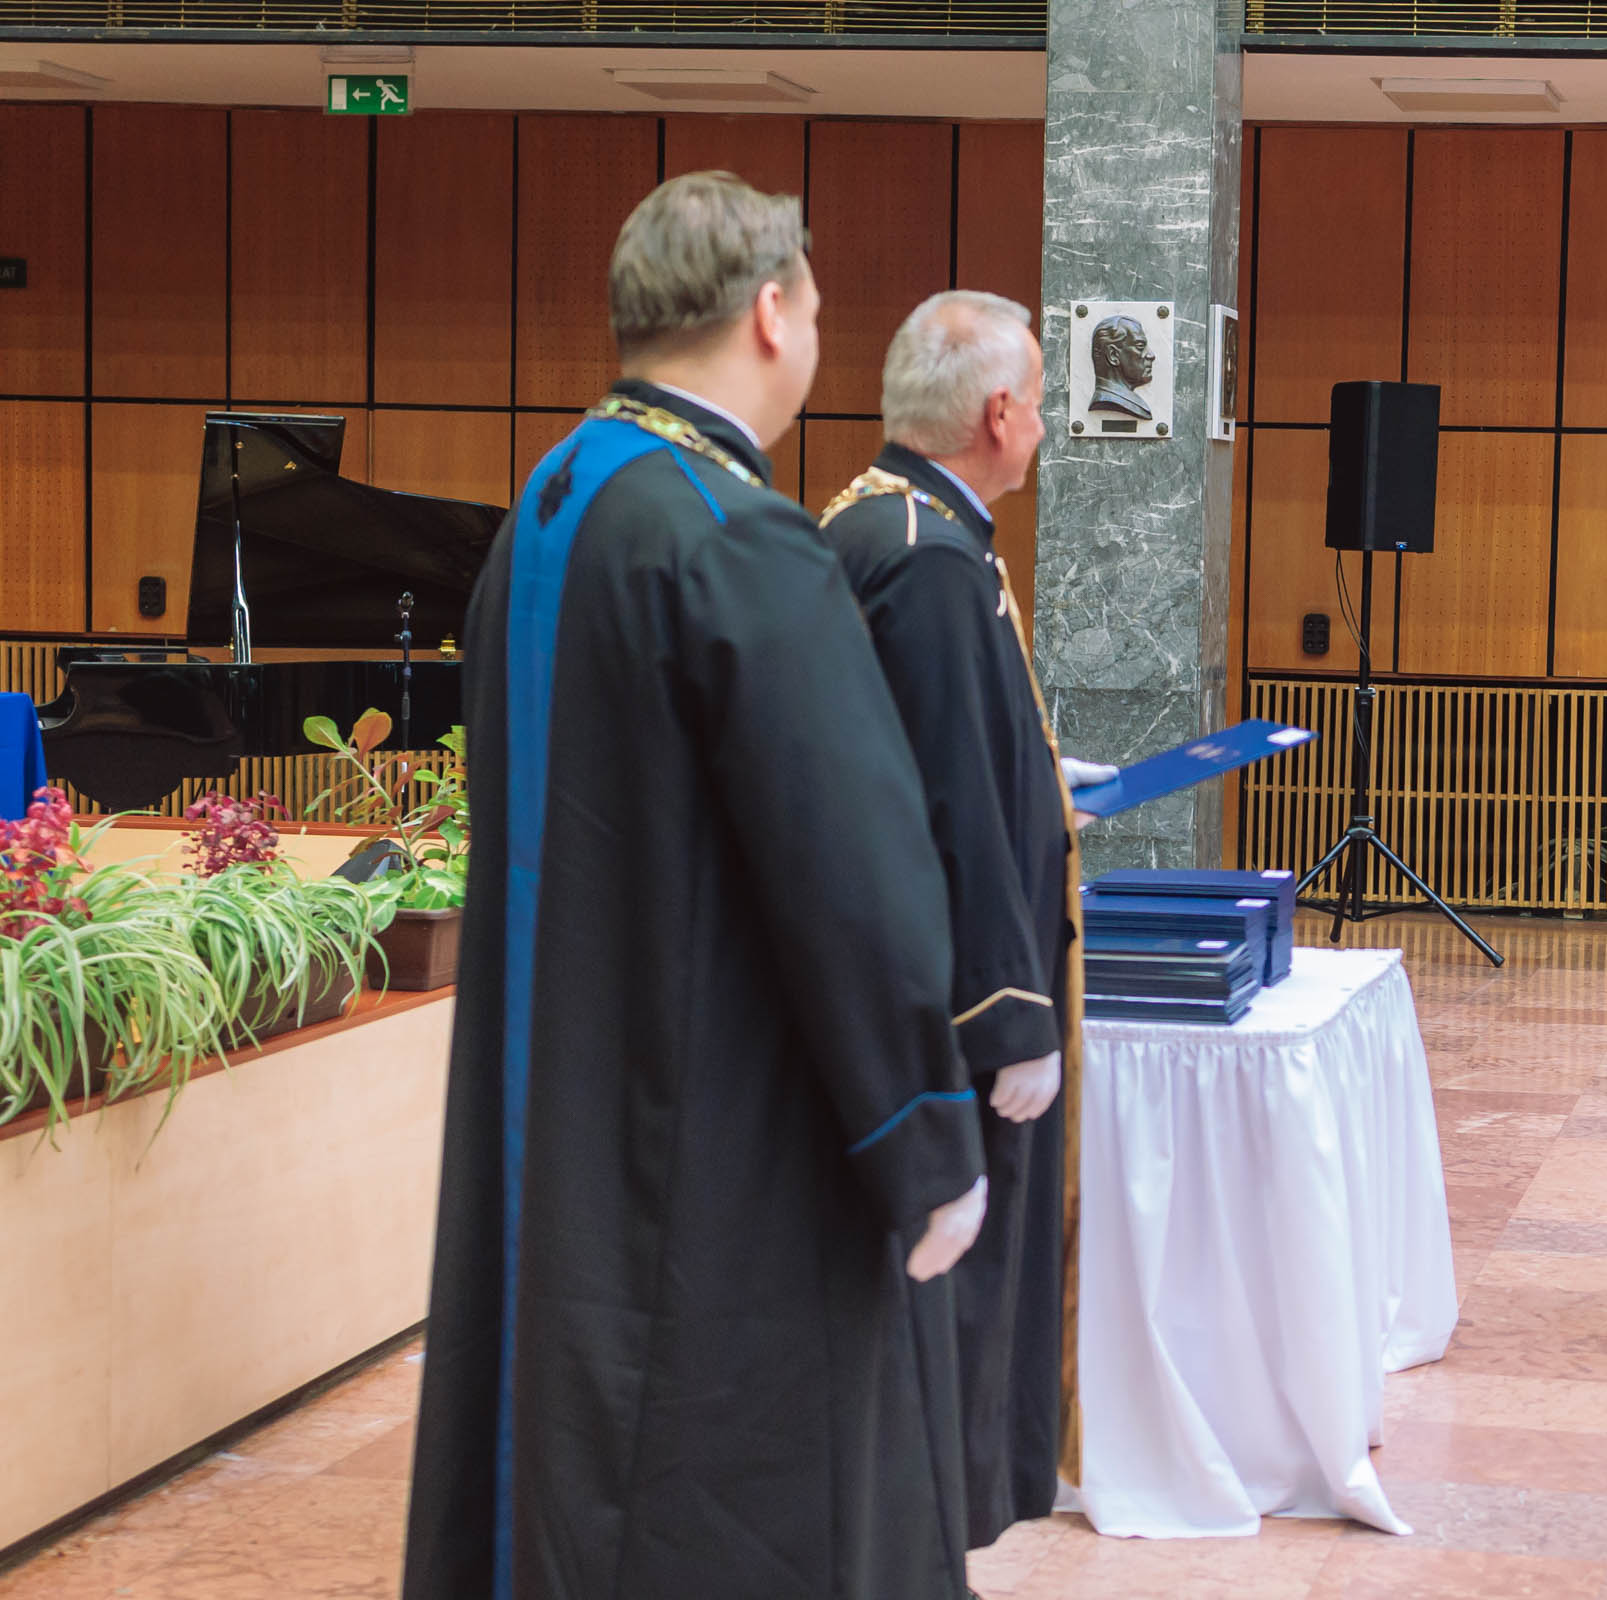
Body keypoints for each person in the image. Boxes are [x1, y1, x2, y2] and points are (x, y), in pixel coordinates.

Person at [403, 172, 990, 1600]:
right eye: (818, 311)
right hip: (716, 1133)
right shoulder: (731, 534)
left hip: (564, 1109)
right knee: (730, 1482)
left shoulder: (553, 500)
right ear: (772, 312)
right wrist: (924, 1133)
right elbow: (856, 872)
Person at [818, 290, 1109, 1555]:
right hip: (957, 1007)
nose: (1041, 424)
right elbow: (946, 806)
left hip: (904, 983)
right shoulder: (932, 559)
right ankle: (946, 1536)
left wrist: (1042, 777)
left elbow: (945, 755)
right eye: (1037, 401)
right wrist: (1014, 1015)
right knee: (968, 1289)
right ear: (998, 413)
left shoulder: (880, 519)